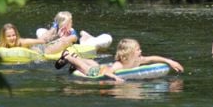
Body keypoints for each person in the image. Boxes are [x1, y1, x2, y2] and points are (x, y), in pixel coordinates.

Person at [55, 38, 184, 82]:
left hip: (100, 67)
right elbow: (107, 73)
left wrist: (170, 61)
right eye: (138, 50)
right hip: (95, 73)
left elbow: (154, 58)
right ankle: (68, 56)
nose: (141, 51)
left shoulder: (138, 60)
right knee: (85, 67)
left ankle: (78, 57)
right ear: (129, 54)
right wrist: (115, 78)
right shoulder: (119, 64)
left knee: (93, 62)